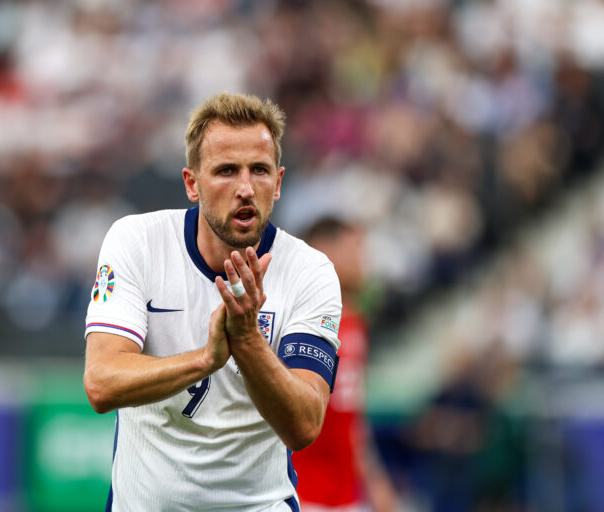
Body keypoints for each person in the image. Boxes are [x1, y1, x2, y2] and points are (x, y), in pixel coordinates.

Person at [83, 92, 343, 511]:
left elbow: (305, 423)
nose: (245, 188)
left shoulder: (310, 272)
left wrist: (247, 339)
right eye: (226, 171)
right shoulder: (138, 243)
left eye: (258, 170)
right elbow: (101, 381)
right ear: (192, 183)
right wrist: (205, 359)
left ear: (277, 184)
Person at [292, 217, 398, 512]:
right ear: (326, 251)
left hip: (346, 496)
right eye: (356, 248)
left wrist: (377, 484)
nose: (365, 260)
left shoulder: (354, 322)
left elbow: (353, 418)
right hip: (301, 491)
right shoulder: (296, 320)